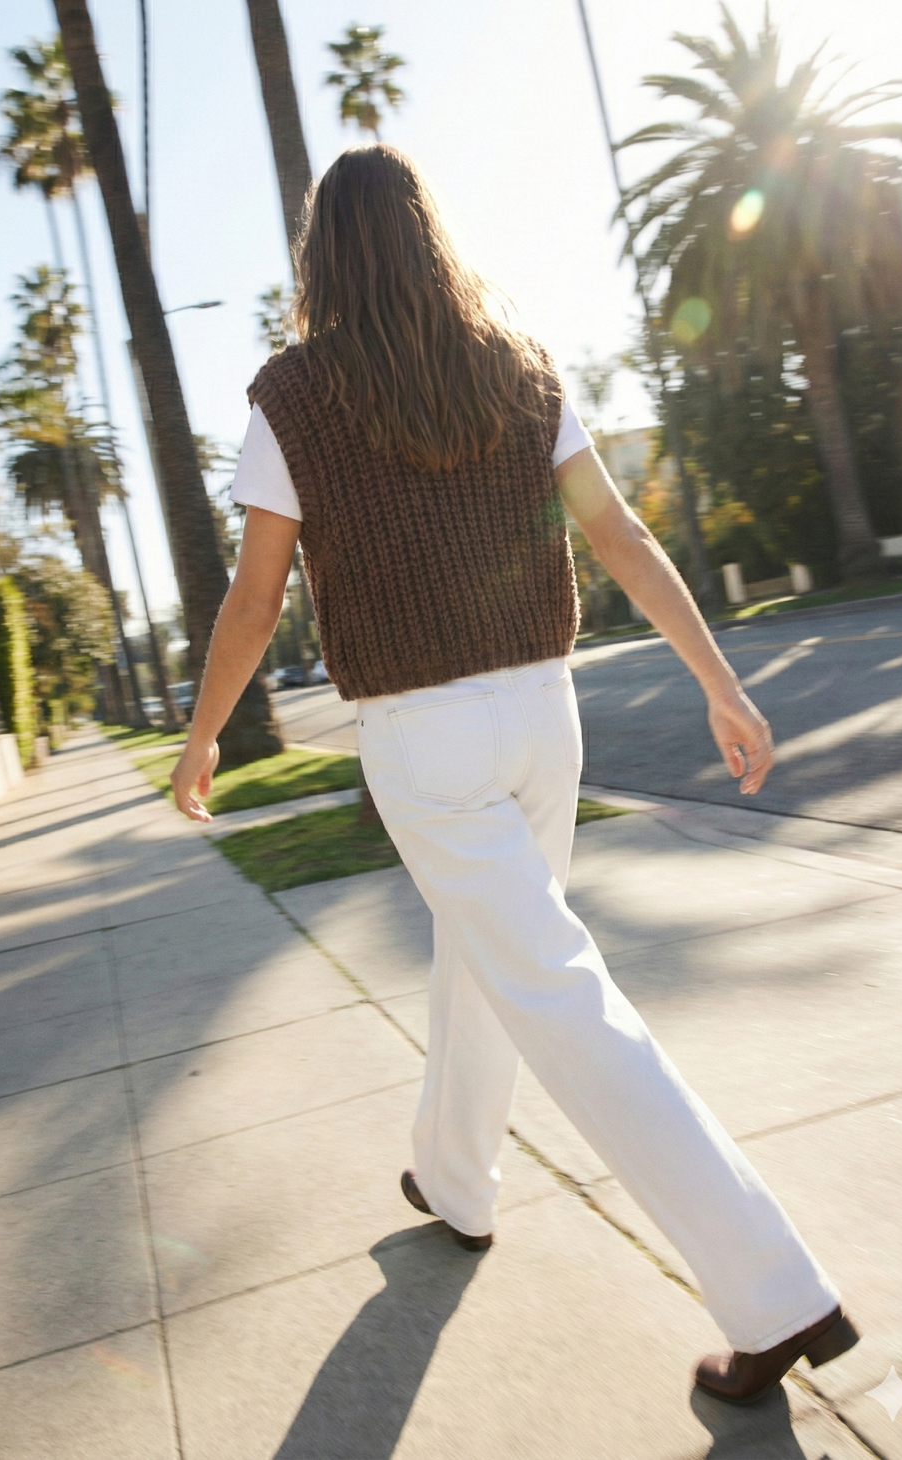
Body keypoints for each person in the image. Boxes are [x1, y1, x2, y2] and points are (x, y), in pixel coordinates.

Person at [170, 144, 859, 1407]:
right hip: (546, 716)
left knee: (561, 994)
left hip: (423, 740)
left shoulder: (291, 392)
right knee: (492, 958)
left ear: (320, 253)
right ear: (432, 237)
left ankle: (776, 1292)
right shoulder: (518, 361)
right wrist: (718, 676)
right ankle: (458, 1178)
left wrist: (206, 730)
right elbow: (618, 531)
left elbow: (254, 597)